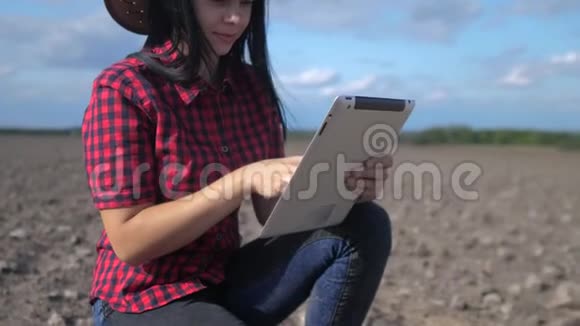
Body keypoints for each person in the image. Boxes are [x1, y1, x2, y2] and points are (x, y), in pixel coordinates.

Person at [82, 0, 394, 325]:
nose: (235, 18)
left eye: (246, 4)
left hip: (224, 279)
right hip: (141, 296)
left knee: (365, 224)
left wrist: (343, 188)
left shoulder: (251, 88)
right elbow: (130, 242)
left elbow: (271, 211)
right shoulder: (124, 88)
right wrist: (238, 181)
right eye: (219, 1)